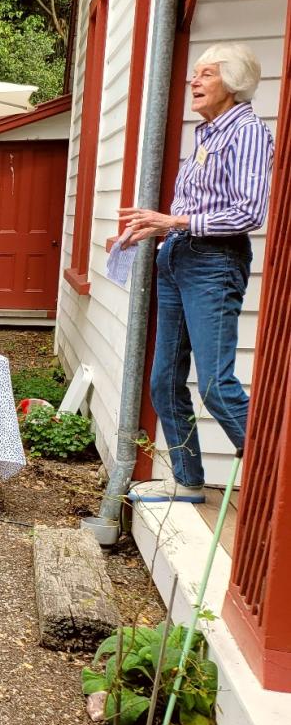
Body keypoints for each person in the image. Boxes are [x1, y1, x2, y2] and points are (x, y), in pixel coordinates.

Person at [120, 42, 274, 503]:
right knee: (164, 380)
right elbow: (198, 204)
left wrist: (175, 221)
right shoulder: (206, 134)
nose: (194, 80)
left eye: (206, 74)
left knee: (215, 385)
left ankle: (273, 486)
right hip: (178, 257)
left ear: (233, 83)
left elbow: (249, 212)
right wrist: (155, 227)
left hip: (214, 263)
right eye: (196, 74)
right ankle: (188, 482)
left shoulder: (246, 131)